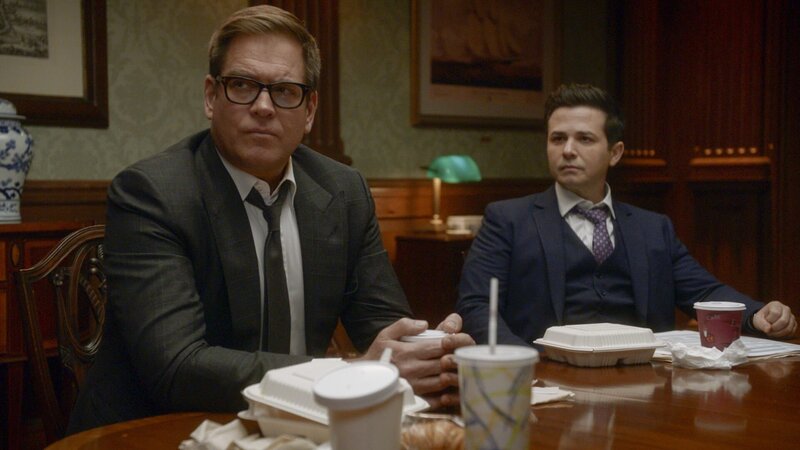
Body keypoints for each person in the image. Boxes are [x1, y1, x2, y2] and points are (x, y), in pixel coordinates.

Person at [67, 5, 473, 434]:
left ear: (310, 109)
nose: (263, 106)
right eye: (242, 85)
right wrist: (346, 374)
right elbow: (178, 367)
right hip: (158, 430)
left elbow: (385, 329)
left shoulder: (344, 191)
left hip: (301, 430)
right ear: (211, 97)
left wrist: (433, 352)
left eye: (284, 91)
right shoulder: (153, 193)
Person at [457, 83, 797, 346]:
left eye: (584, 139)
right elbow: (476, 307)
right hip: (546, 378)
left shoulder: (653, 227)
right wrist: (522, 366)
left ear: (615, 152)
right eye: (557, 139)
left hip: (646, 380)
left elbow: (704, 292)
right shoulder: (507, 219)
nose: (568, 150)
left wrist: (758, 314)